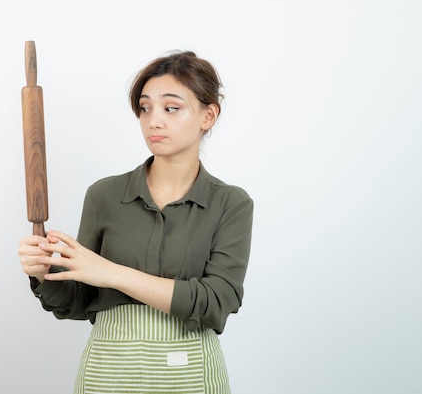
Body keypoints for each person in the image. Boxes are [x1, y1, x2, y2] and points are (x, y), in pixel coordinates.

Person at [18, 50, 253, 394]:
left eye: (171, 108)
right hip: (107, 376)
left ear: (208, 115)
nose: (153, 120)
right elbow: (79, 301)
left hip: (190, 376)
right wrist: (43, 272)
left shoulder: (230, 203)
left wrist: (111, 272)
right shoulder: (104, 196)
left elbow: (216, 302)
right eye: (145, 108)